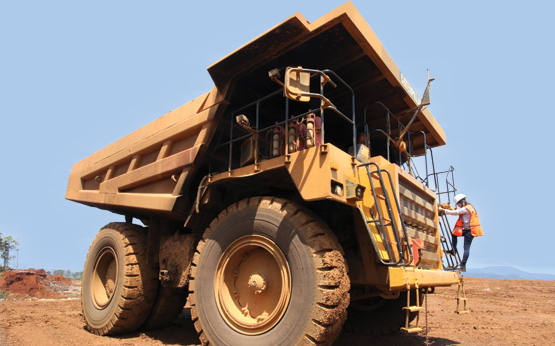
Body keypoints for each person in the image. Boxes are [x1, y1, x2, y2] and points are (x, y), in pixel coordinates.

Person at [438, 193, 483, 272]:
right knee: (454, 234)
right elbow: (457, 211)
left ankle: (463, 265)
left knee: (466, 247)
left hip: (469, 231)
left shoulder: (466, 208)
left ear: (462, 202)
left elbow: (456, 213)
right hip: (466, 229)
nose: (458, 206)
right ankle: (454, 250)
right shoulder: (468, 207)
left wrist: (444, 210)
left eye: (458, 204)